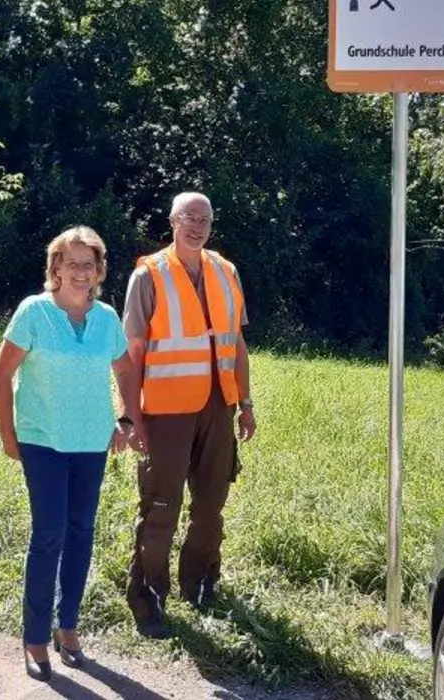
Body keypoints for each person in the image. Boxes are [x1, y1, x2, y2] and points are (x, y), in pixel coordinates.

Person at [0, 226, 147, 682]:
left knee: (81, 532)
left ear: (99, 271)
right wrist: (8, 435)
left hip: (91, 442)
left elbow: (125, 371)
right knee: (49, 534)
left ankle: (68, 626)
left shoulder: (106, 318)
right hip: (42, 440)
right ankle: (34, 637)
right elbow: (2, 377)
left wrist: (126, 419)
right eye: (71, 263)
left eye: (89, 264)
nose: (80, 272)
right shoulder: (34, 312)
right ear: (55, 267)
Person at [122, 191, 256, 639]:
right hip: (166, 411)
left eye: (205, 219)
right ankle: (148, 599)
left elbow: (237, 343)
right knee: (161, 506)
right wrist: (130, 416)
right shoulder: (149, 275)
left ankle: (200, 586)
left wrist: (246, 404)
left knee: (211, 505)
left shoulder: (226, 271)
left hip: (219, 407)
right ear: (173, 221)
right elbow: (131, 353)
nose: (198, 227)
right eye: (189, 218)